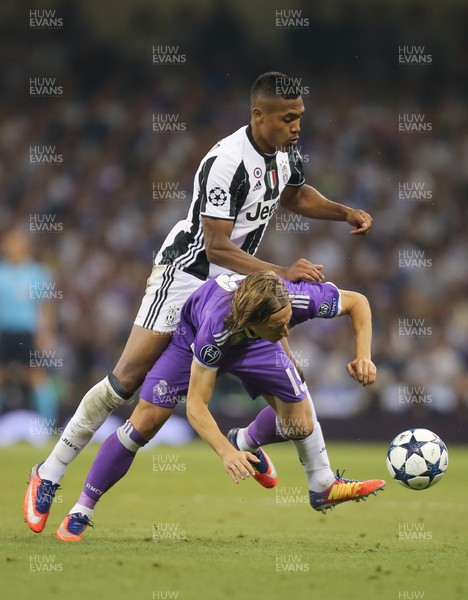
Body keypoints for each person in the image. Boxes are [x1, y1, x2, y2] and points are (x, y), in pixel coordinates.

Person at [24, 72, 373, 534]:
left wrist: (343, 211)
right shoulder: (225, 161)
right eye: (288, 118)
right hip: (186, 276)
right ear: (258, 115)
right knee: (125, 382)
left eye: (300, 117)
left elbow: (295, 194)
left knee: (289, 376)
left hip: (239, 284)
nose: (296, 126)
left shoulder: (285, 153)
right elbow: (216, 247)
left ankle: (292, 466)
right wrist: (281, 272)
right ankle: (48, 473)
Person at [53, 270, 384, 542]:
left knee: (300, 424)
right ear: (253, 320)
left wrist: (363, 355)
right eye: (280, 324)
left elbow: (359, 303)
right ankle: (82, 509)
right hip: (190, 342)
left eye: (288, 320)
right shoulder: (216, 327)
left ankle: (254, 445)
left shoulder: (294, 298)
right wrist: (226, 453)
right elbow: (197, 405)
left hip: (257, 346)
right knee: (145, 422)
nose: (287, 329)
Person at [0, 229, 59, 421]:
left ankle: (48, 428)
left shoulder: (37, 273)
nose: (11, 247)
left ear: (25, 246)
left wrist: (46, 334)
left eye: (16, 242)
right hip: (4, 332)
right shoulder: (2, 272)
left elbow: (45, 307)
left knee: (37, 378)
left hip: (28, 333)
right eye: (8, 243)